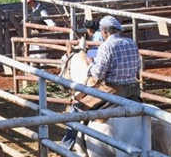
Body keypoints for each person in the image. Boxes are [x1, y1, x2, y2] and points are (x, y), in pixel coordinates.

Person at [60, 15, 142, 149]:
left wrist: (91, 63)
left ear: (104, 31)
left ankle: (66, 144)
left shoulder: (106, 46)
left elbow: (98, 74)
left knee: (77, 105)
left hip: (114, 91)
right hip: (134, 89)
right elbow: (138, 67)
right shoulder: (131, 42)